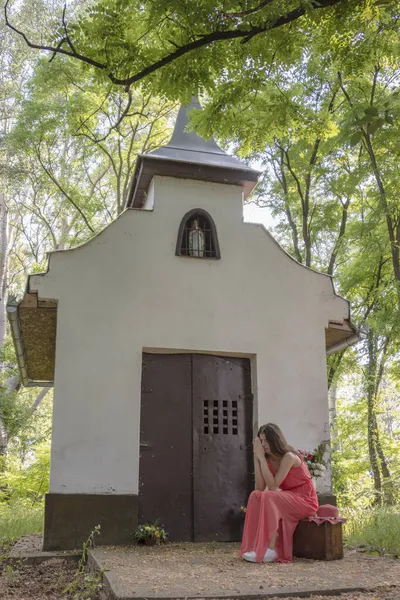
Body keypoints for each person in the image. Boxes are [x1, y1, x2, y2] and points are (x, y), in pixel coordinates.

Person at [240, 423, 318, 564]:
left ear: (275, 440)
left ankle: (270, 549)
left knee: (268, 495)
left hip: (305, 500)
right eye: (261, 441)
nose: (263, 445)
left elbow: (273, 486)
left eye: (266, 440)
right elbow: (260, 486)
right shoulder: (268, 459)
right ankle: (256, 547)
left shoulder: (289, 457)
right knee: (256, 495)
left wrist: (262, 459)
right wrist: (257, 458)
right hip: (288, 496)